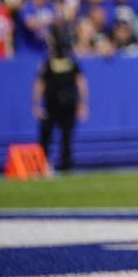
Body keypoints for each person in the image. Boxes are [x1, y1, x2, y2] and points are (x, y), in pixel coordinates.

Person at [33, 29, 88, 171]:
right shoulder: (70, 63)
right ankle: (65, 164)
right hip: (66, 102)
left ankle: (46, 164)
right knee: (65, 137)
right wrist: (83, 104)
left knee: (49, 136)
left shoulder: (50, 64)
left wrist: (36, 104)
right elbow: (81, 83)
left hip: (54, 103)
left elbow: (39, 84)